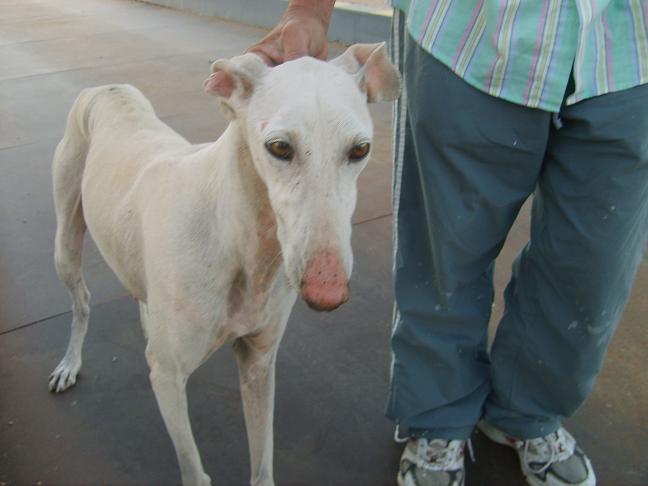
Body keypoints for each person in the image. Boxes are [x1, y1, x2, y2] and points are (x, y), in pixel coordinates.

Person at [244, 1, 648, 485]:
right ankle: (438, 416)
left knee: (592, 271)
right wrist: (310, 9)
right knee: (442, 255)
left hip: (629, 55)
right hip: (468, 36)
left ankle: (529, 412)